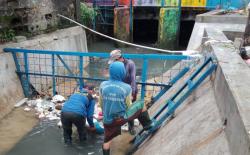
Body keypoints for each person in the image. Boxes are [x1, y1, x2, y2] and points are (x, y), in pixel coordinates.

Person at [99, 61, 154, 155]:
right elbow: (128, 106)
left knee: (107, 140)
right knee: (141, 104)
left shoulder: (103, 85)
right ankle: (147, 125)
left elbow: (101, 103)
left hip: (107, 120)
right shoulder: (127, 87)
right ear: (122, 72)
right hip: (121, 118)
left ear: (111, 72)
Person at [108, 49, 138, 135]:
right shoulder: (114, 65)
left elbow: (133, 79)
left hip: (130, 89)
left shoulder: (130, 64)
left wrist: (132, 93)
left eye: (114, 61)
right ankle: (117, 127)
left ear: (119, 58)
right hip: (119, 89)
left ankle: (131, 127)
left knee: (130, 109)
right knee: (118, 108)